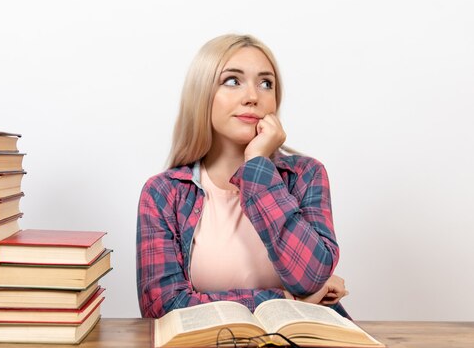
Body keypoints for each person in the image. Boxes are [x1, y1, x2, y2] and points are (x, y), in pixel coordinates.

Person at [136, 34, 349, 319]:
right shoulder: (164, 193)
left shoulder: (306, 175)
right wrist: (286, 299)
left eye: (266, 83)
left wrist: (258, 165)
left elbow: (310, 276)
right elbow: (162, 307)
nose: (252, 97)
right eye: (233, 81)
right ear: (202, 95)